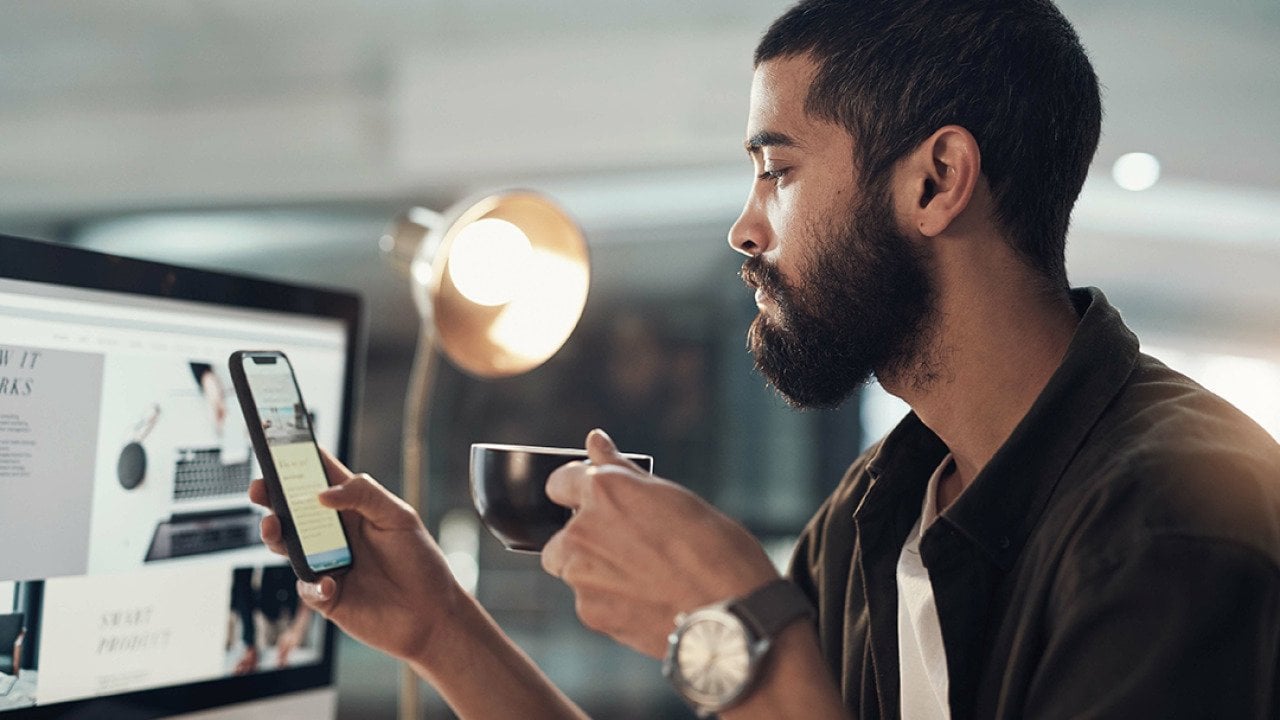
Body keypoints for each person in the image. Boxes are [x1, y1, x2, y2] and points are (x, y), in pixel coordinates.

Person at [251, 0, 1280, 717]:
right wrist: (440, 630)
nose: (744, 230)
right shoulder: (877, 511)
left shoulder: (1174, 525)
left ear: (935, 182)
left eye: (776, 171)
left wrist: (747, 629)